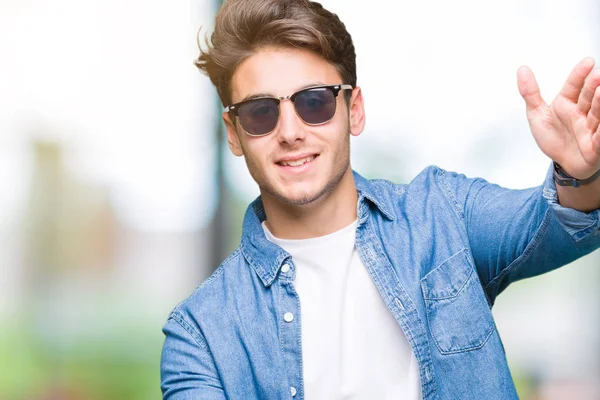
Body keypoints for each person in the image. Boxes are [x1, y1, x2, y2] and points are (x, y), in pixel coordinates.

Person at [160, 0, 600, 398]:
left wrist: (581, 174)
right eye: (261, 112)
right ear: (234, 133)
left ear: (355, 110)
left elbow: (554, 224)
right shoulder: (199, 337)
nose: (291, 132)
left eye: (314, 102)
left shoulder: (440, 214)